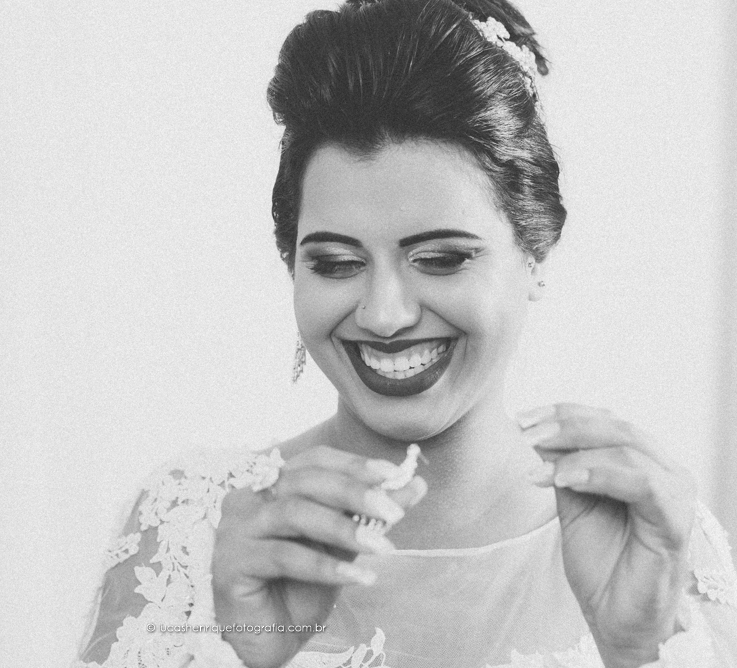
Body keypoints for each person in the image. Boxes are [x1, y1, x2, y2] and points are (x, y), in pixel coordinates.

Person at [74, 1, 737, 666]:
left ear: (534, 252)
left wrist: (635, 650)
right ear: (291, 264)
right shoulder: (188, 529)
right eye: (337, 264)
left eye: (442, 258)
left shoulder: (652, 537)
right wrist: (246, 650)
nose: (384, 315)